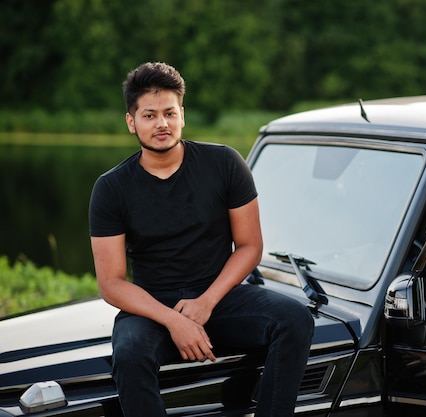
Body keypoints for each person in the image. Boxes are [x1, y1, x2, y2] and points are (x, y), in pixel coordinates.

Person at [89, 62, 314, 417]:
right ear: (132, 122)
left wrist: (206, 303)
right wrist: (174, 321)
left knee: (295, 320)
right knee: (130, 354)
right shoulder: (111, 188)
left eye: (169, 113)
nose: (161, 123)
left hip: (221, 296)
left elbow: (250, 247)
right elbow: (112, 283)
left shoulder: (224, 162)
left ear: (182, 115)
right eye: (149, 115)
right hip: (152, 305)